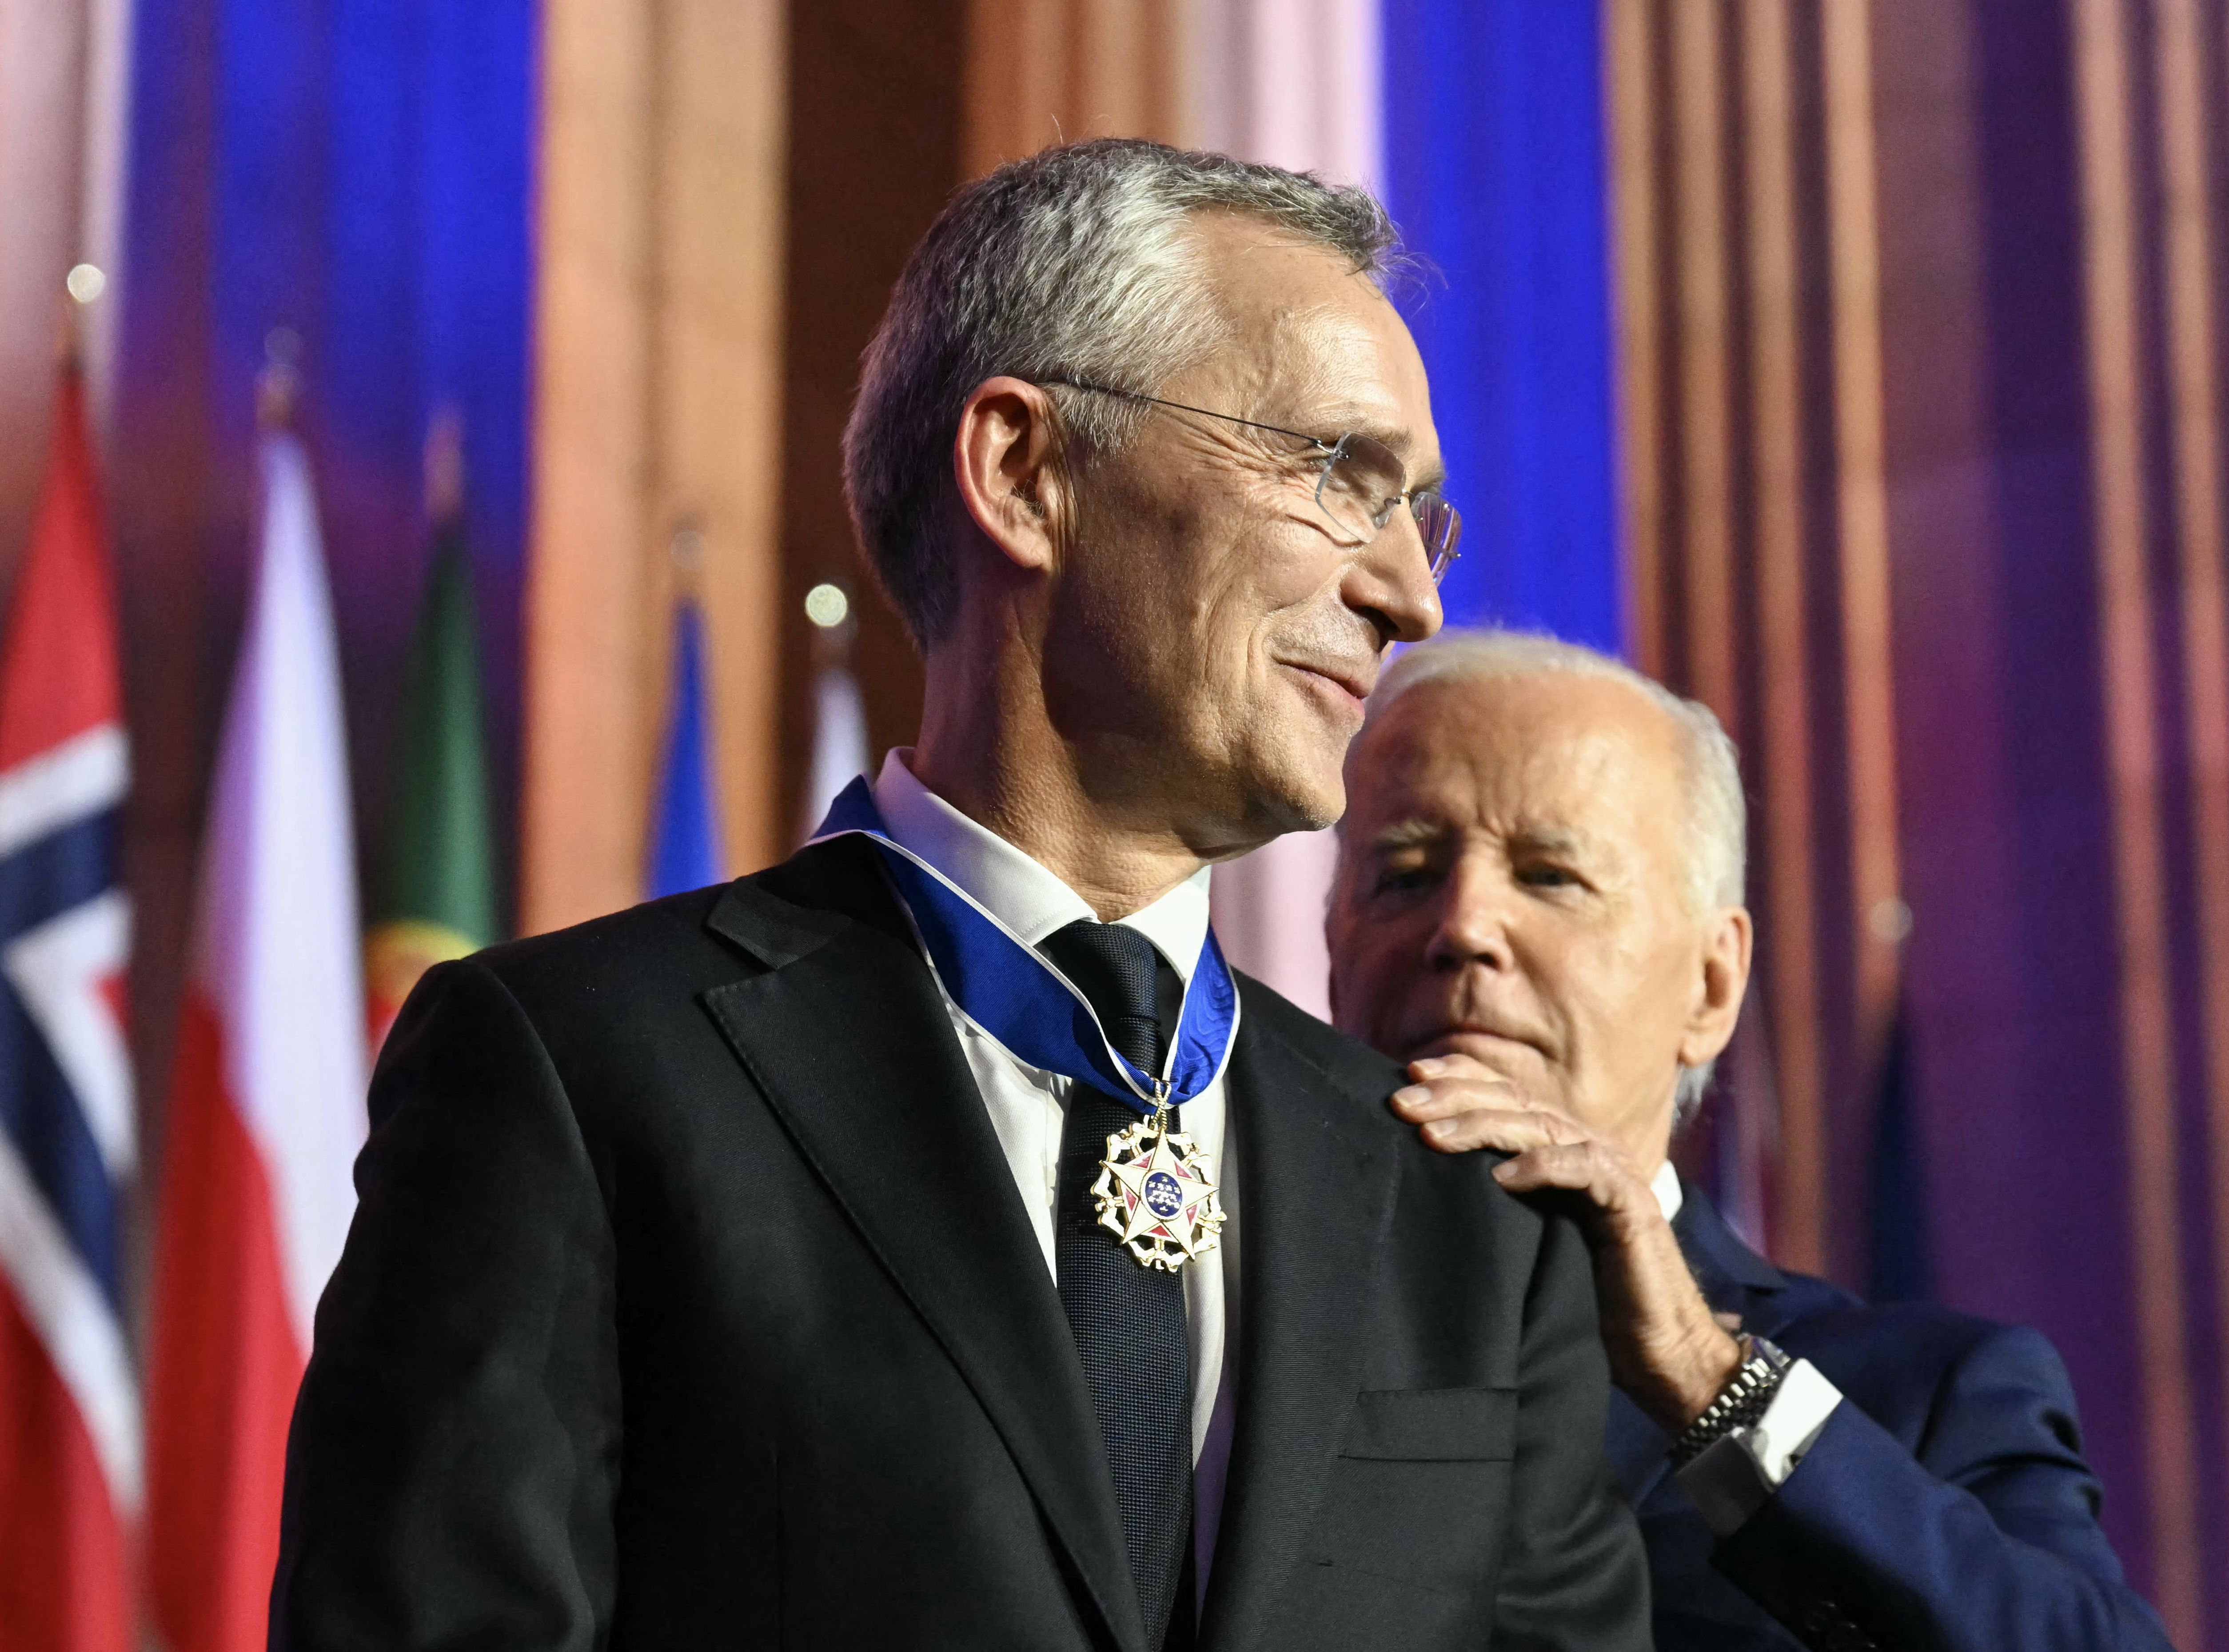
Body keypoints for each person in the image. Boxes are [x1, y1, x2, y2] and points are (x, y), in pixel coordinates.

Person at [269, 144, 1650, 1651]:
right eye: (1336, 476)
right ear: (1023, 472)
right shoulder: (579, 1072)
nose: (1409, 596)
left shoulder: (1469, 1222)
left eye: (1417, 515)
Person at [1325, 629, 2176, 1652]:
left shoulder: (1925, 1395)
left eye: (1549, 874)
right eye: (1403, 873)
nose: (1462, 925)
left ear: (1711, 983)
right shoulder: (1217, 1313)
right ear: (1332, 941)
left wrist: (1704, 1379)